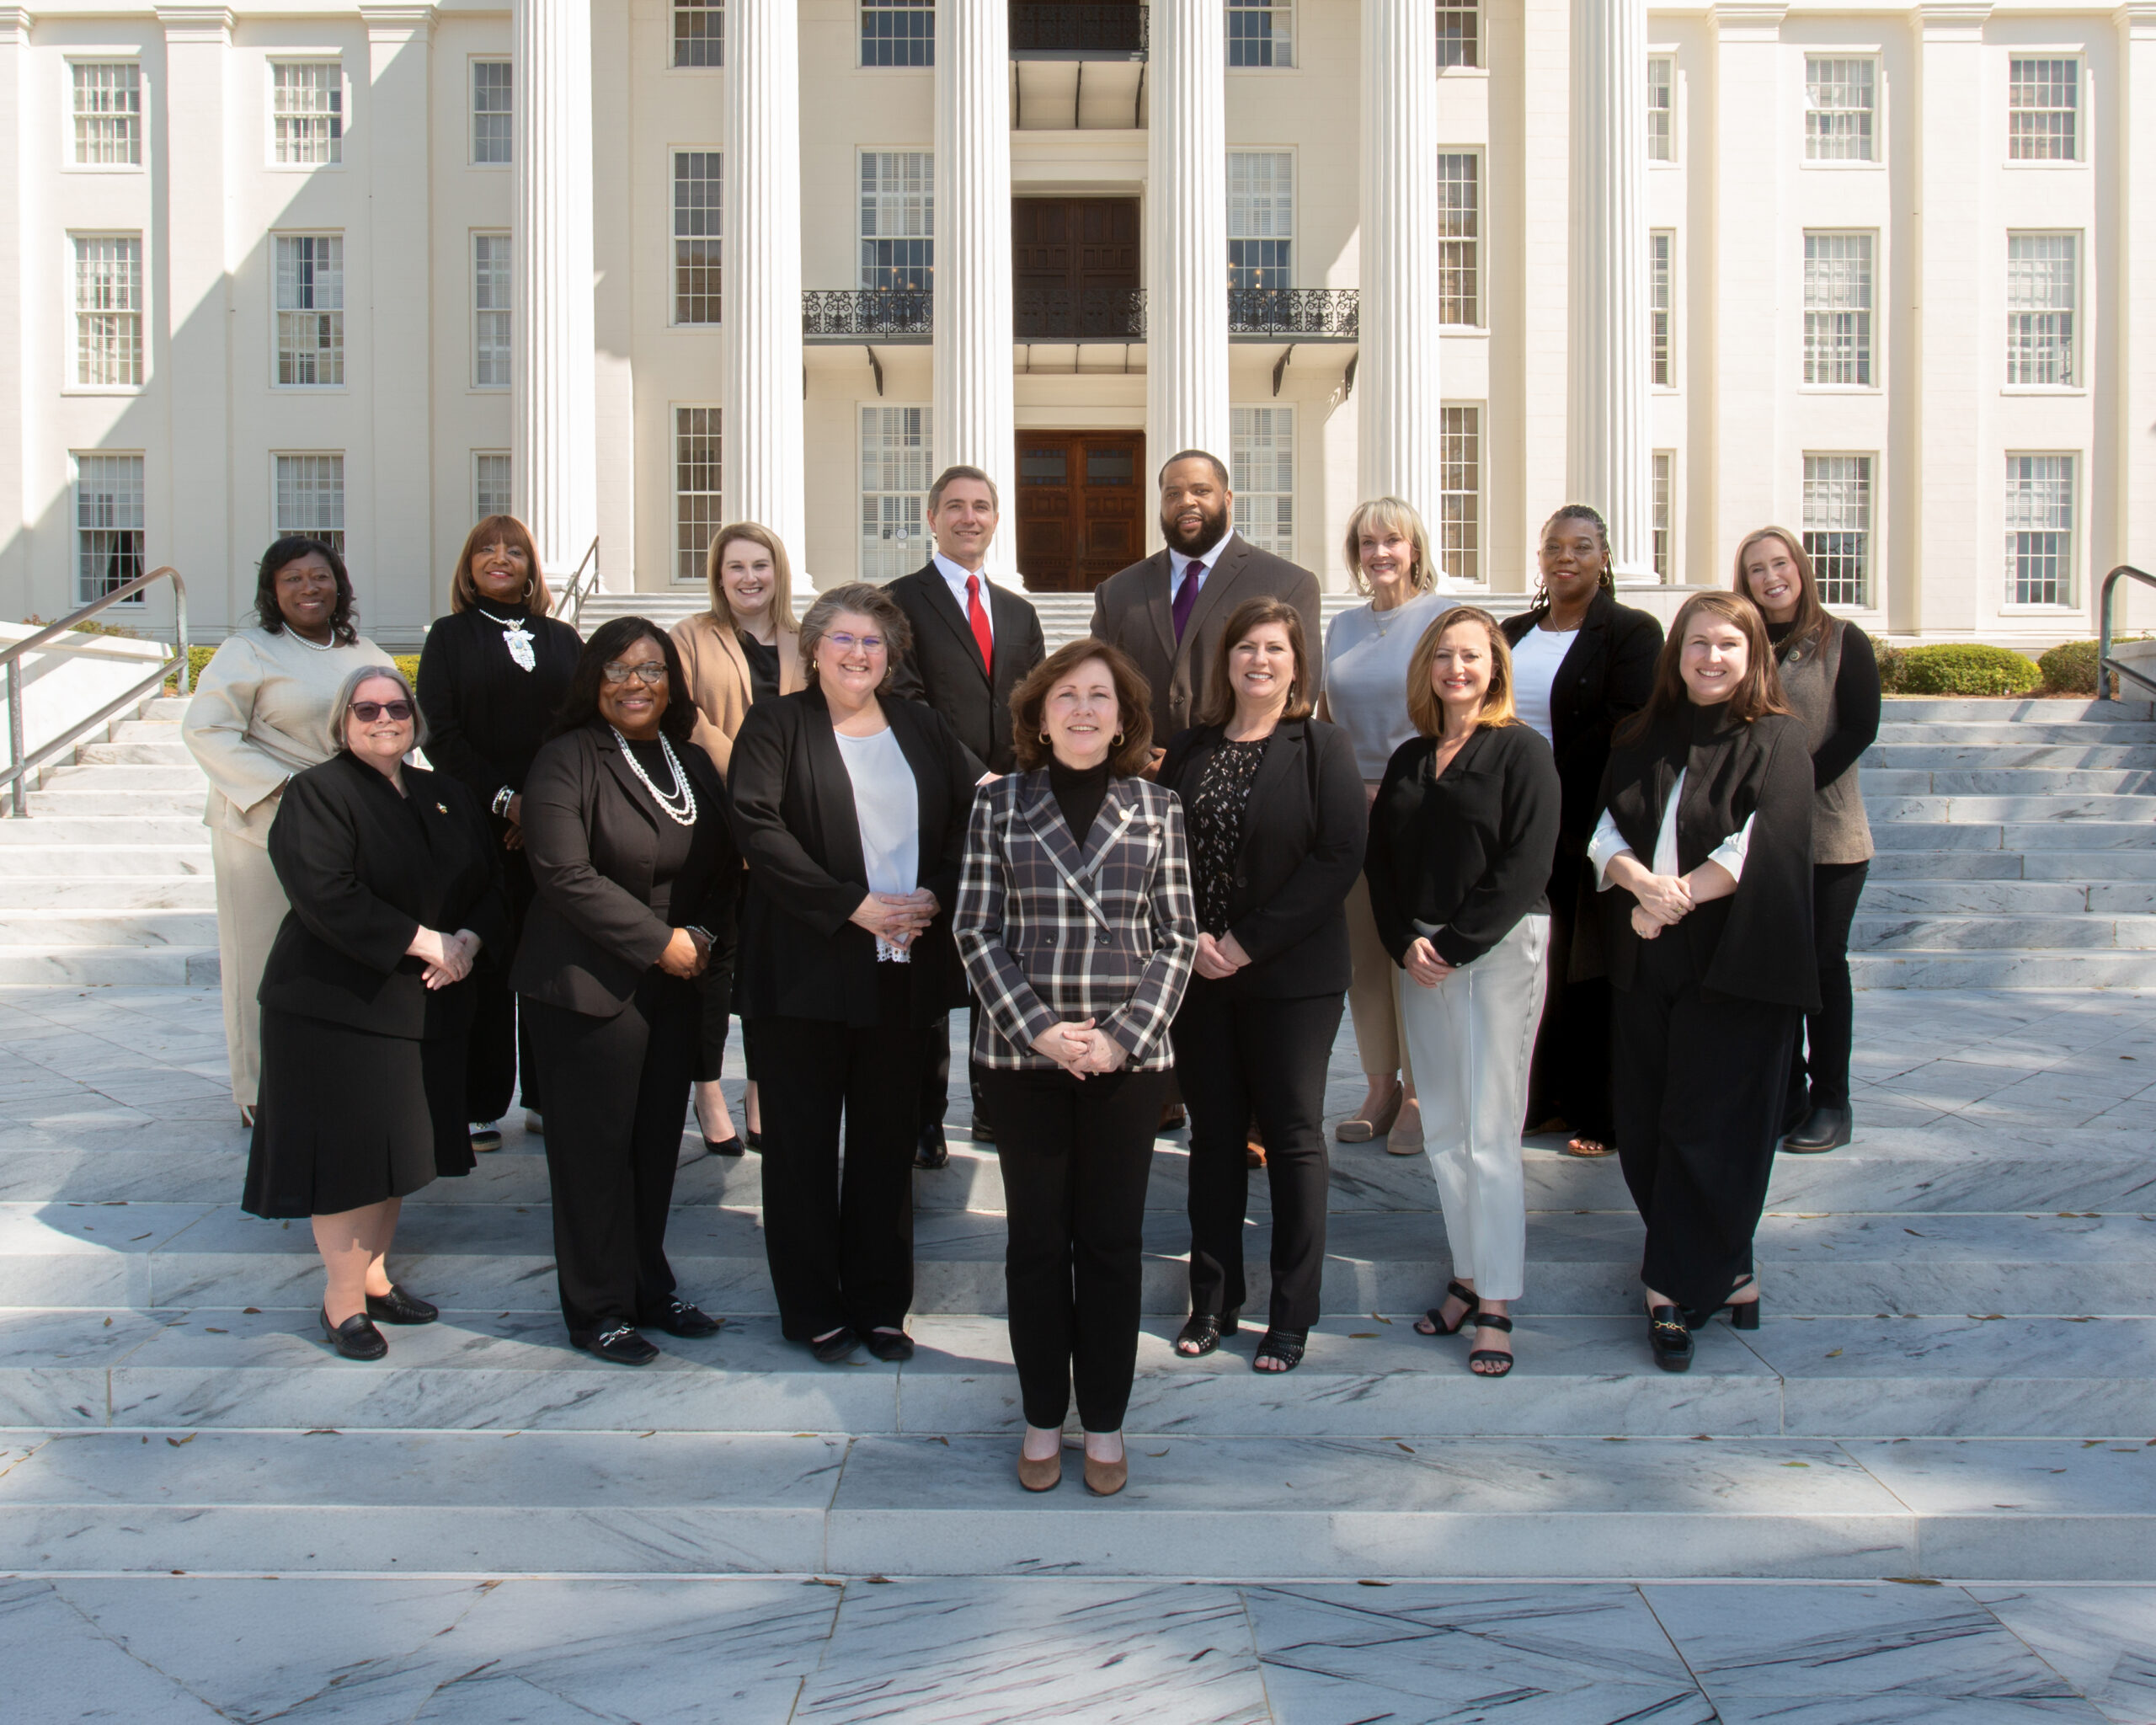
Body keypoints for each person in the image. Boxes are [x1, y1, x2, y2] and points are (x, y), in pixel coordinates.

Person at [954, 640, 1197, 1497]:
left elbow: (1176, 938)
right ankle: (1037, 1413)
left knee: (1110, 1245)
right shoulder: (999, 803)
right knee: (1035, 1243)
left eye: (1101, 697)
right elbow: (975, 929)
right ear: (1040, 711)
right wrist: (1043, 1031)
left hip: (1126, 1063)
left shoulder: (1159, 807)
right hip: (1027, 1058)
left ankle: (1103, 1419)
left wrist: (1122, 1037)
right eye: (1068, 695)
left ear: (1125, 716)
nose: (1084, 709)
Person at [728, 583, 974, 1366]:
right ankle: (811, 1308)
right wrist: (850, 907)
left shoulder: (923, 725)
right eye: (844, 640)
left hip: (902, 969)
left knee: (883, 1146)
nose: (859, 654)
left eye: (873, 643)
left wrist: (937, 889)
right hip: (805, 970)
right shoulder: (776, 724)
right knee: (800, 1148)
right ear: (814, 649)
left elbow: (969, 817)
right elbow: (758, 829)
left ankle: (880, 1305)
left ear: (890, 655)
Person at [243, 666, 504, 1360]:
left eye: (396, 706)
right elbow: (326, 892)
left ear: (414, 718)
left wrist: (469, 942)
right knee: (348, 1160)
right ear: (342, 721)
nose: (383, 718)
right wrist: (428, 943)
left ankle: (376, 1276)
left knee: (396, 1153)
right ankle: (342, 1301)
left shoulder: (444, 794)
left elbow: (488, 883)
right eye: (366, 709)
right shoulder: (317, 793)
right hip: (334, 1010)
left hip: (423, 1005)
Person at [1590, 591, 1818, 1372]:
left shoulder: (1781, 741)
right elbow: (1604, 831)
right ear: (1676, 653)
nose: (1711, 658)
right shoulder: (1639, 735)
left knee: (1713, 1126)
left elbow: (1765, 843)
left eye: (1728, 644)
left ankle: (1671, 1290)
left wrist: (1671, 898)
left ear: (1753, 654)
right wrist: (1638, 886)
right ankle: (1732, 1274)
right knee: (1649, 1120)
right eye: (1696, 644)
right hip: (1644, 958)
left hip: (1735, 964)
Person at [510, 618, 737, 1365]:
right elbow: (563, 875)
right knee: (592, 1156)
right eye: (616, 669)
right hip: (585, 984)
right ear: (592, 679)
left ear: (673, 682)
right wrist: (659, 942)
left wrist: (700, 936)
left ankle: (647, 1285)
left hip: (674, 985)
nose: (634, 684)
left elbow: (721, 866)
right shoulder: (564, 758)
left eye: (650, 670)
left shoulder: (692, 763)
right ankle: (596, 1308)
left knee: (651, 1150)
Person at [1161, 599, 1363, 1373]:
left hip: (1293, 979)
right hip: (1199, 976)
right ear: (1226, 661)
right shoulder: (1190, 749)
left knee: (1291, 1136)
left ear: (1296, 663)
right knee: (1211, 1139)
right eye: (1245, 647)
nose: (1259, 660)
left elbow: (1338, 857)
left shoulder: (1321, 747)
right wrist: (1192, 943)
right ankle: (1211, 1301)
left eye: (1274, 648)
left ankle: (1290, 1314)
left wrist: (1247, 943)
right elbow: (1160, 856)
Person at [1367, 608, 1561, 1379]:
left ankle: (1498, 1304)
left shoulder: (1523, 751)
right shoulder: (1413, 756)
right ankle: (1466, 1276)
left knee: (1490, 1131)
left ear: (1496, 667)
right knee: (1445, 1129)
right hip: (1420, 958)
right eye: (1443, 656)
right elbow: (1379, 863)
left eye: (1472, 656)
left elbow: (1527, 864)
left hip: (1496, 955)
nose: (1457, 668)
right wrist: (1401, 940)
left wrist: (1453, 943)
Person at [184, 537, 395, 1124]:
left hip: (345, 829)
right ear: (273, 592)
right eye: (293, 578)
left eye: (320, 576)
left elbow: (391, 725)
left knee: (335, 961)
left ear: (340, 585)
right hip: (262, 825)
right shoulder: (247, 649)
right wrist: (289, 788)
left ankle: (331, 1076)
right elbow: (208, 731)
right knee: (261, 959)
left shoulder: (364, 652)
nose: (308, 587)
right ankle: (260, 1089)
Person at [886, 464, 1049, 1162]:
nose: (969, 518)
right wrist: (972, 774)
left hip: (1009, 811)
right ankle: (924, 1117)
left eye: (981, 507)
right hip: (929, 810)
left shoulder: (1019, 611)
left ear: (995, 519)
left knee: (998, 961)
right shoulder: (898, 602)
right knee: (926, 970)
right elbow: (908, 699)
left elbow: (1039, 703)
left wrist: (1014, 779)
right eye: (955, 506)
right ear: (932, 517)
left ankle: (992, 1105)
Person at [1498, 505, 1664, 1162]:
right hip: (1515, 824)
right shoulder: (1514, 632)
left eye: (1582, 547)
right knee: (1528, 965)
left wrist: (1544, 778)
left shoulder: (1630, 632)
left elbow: (1629, 724)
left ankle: (1599, 1106)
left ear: (1605, 557)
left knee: (1586, 965)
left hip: (1587, 822)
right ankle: (1538, 1101)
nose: (1565, 557)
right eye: (1554, 547)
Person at [414, 515, 581, 1155]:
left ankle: (545, 1096)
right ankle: (480, 1102)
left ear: (532, 566)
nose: (500, 557)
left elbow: (578, 728)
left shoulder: (564, 639)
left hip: (552, 825)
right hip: (474, 826)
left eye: (514, 549)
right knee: (482, 965)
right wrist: (505, 803)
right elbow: (440, 733)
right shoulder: (450, 638)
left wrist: (540, 808)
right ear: (469, 564)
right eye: (486, 548)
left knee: (549, 963)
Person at [1733, 526, 1878, 1155]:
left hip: (1829, 835)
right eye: (1756, 569)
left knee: (1821, 965)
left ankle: (1831, 1102)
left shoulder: (1843, 640)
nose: (1771, 577)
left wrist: (1789, 790)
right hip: (1759, 838)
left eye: (1779, 563)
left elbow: (1859, 730)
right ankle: (1784, 1093)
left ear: (1800, 567)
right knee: (1772, 969)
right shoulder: (1742, 643)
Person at [1319, 497, 1454, 1155]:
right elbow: (1324, 713)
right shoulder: (1341, 627)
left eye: (1392, 541)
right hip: (1352, 808)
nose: (1380, 554)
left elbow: (1459, 709)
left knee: (1415, 953)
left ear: (1415, 548)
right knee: (1365, 958)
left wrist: (1398, 787)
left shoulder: (1441, 619)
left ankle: (1424, 1093)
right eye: (1368, 543)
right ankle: (1381, 1087)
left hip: (1420, 807)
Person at [670, 521, 805, 1157]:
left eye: (761, 566)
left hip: (788, 827)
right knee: (712, 964)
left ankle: (760, 1087)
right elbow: (683, 715)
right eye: (736, 568)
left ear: (778, 572)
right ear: (718, 577)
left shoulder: (805, 639)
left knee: (770, 963)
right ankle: (707, 1088)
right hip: (716, 821)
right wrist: (748, 772)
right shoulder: (690, 638)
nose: (750, 578)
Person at [1088, 449, 1325, 754]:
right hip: (1140, 780)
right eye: (1173, 494)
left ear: (1227, 500)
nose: (1186, 501)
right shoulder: (1118, 592)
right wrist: (1140, 757)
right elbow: (1097, 685)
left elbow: (1299, 695)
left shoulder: (1288, 584)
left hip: (1243, 776)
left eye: (1201, 491)